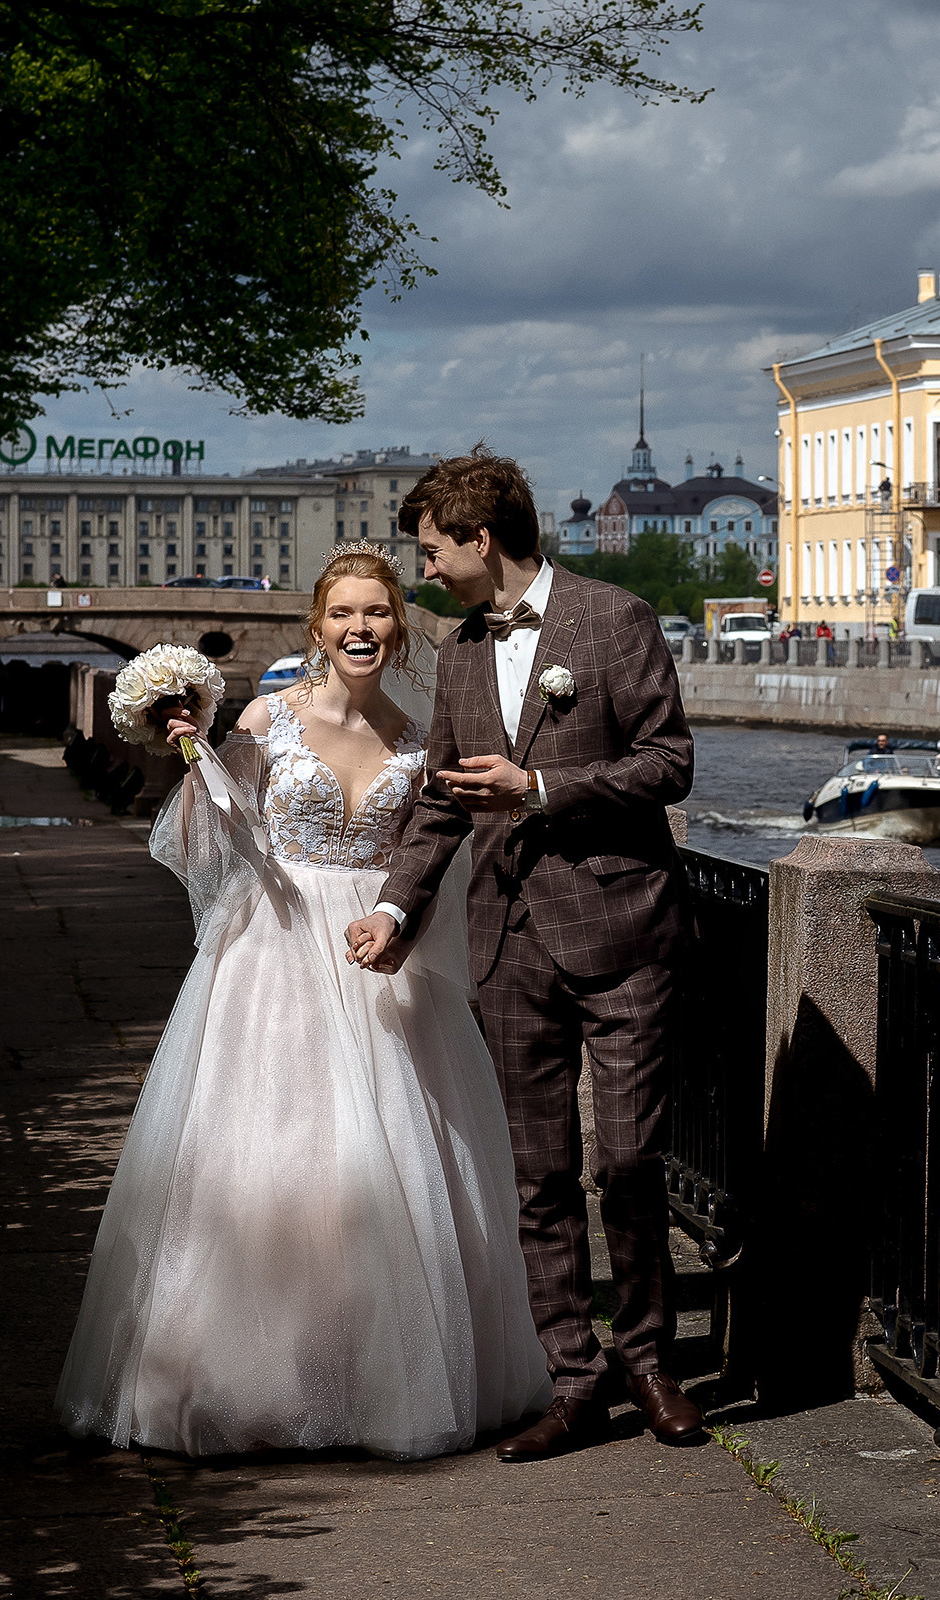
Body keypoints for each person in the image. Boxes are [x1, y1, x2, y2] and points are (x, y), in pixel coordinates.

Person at [55, 545, 550, 1460]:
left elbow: (435, 855)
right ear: (316, 628)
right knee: (277, 1163)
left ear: (400, 627)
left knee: (391, 1166)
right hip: (277, 954)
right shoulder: (263, 720)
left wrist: (402, 923)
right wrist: (195, 757)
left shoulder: (418, 736)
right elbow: (210, 842)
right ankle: (261, 1379)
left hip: (381, 955)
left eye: (379, 613)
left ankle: (380, 1375)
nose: (360, 628)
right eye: (343, 615)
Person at [346, 449, 702, 1463]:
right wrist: (394, 909)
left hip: (623, 930)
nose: (425, 572)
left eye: (432, 551)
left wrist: (544, 789)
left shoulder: (614, 618)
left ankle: (649, 1362)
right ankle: (576, 1382)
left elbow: (669, 760)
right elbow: (437, 807)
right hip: (508, 945)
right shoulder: (458, 652)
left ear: (481, 537)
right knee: (536, 1178)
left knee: (627, 1161)